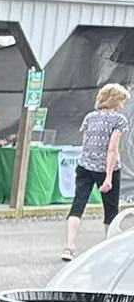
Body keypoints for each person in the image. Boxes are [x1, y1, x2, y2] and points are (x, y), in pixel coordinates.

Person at [65, 82, 126, 260]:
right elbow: (112, 149)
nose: (123, 105)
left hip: (85, 166)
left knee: (78, 205)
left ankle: (68, 246)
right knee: (110, 209)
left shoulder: (90, 117)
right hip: (107, 168)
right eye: (122, 101)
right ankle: (110, 249)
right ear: (115, 101)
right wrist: (108, 177)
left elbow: (86, 144)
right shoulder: (119, 120)